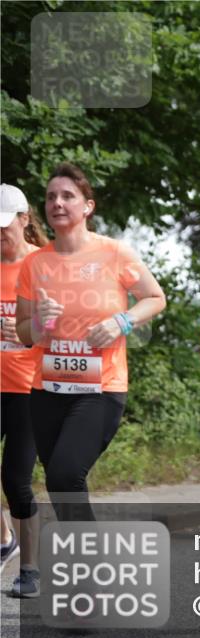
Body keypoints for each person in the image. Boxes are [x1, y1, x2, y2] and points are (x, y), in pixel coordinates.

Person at [15, 164, 166, 525]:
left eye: (68, 196)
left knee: (66, 474)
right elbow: (23, 333)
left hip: (100, 388)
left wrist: (121, 321)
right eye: (51, 196)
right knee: (61, 485)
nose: (58, 203)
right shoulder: (34, 263)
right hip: (47, 388)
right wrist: (38, 323)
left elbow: (155, 298)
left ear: (88, 206)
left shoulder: (114, 253)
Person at [1, 184, 46, 596]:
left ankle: (29, 570)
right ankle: (4, 540)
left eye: (4, 226)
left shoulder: (43, 266)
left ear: (24, 220)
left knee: (16, 478)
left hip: (28, 389)